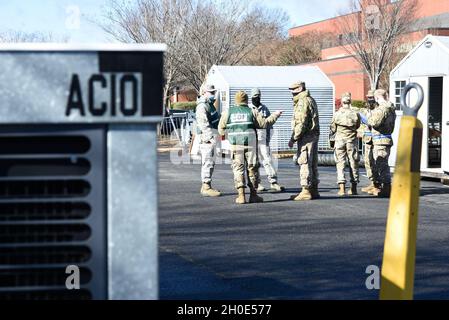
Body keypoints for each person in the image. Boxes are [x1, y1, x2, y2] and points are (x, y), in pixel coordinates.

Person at [218, 91, 282, 204]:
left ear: (236, 100)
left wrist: (231, 134)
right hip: (251, 145)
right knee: (252, 168)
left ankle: (241, 196)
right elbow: (264, 124)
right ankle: (253, 195)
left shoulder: (228, 112)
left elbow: (221, 130)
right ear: (246, 100)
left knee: (238, 169)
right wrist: (275, 115)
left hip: (236, 145)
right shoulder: (252, 111)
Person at [288, 81, 320, 201]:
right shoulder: (310, 99)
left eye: (294, 89)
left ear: (300, 89)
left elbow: (301, 122)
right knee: (313, 163)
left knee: (305, 161)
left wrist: (293, 138)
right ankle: (314, 189)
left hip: (306, 137)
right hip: (313, 135)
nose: (292, 93)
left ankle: (306, 190)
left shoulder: (303, 101)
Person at [249, 88, 285, 193]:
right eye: (255, 96)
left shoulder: (264, 108)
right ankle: (257, 183)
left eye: (258, 96)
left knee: (268, 161)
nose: (257, 98)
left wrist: (268, 138)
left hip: (263, 140)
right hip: (252, 140)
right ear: (251, 97)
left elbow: (269, 125)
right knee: (254, 163)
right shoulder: (248, 108)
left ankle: (273, 182)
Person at [364, 89, 396, 198]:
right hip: (385, 139)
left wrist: (367, 118)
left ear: (377, 98)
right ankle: (384, 187)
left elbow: (374, 122)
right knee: (382, 164)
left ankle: (387, 188)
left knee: (382, 164)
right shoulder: (391, 108)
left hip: (380, 139)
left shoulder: (382, 109)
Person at [330, 92, 361, 196]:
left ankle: (342, 188)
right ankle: (354, 188)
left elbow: (333, 128)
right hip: (351, 141)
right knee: (353, 163)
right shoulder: (355, 114)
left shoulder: (337, 114)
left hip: (339, 141)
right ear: (350, 101)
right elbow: (357, 125)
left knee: (340, 164)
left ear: (342, 102)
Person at [196, 84, 221, 197]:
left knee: (210, 161)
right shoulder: (203, 106)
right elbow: (203, 124)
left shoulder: (209, 105)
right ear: (204, 93)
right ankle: (206, 186)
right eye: (211, 92)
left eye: (214, 92)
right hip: (207, 138)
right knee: (208, 162)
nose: (213, 94)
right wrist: (210, 138)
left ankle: (205, 185)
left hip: (212, 136)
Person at [358, 90, 378, 193]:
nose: (370, 100)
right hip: (367, 139)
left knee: (376, 161)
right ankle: (372, 182)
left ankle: (377, 184)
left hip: (377, 140)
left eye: (371, 97)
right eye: (368, 97)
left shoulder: (379, 109)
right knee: (368, 161)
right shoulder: (365, 110)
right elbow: (362, 124)